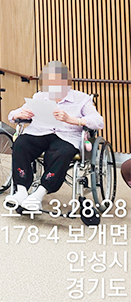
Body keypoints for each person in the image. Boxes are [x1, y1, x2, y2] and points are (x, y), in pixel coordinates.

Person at [5, 61, 104, 212]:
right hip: (40, 132)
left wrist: (72, 120)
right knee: (21, 143)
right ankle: (21, 191)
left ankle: (38, 194)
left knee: (60, 152)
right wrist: (19, 114)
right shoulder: (40, 96)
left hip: (67, 136)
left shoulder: (81, 99)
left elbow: (98, 121)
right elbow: (12, 115)